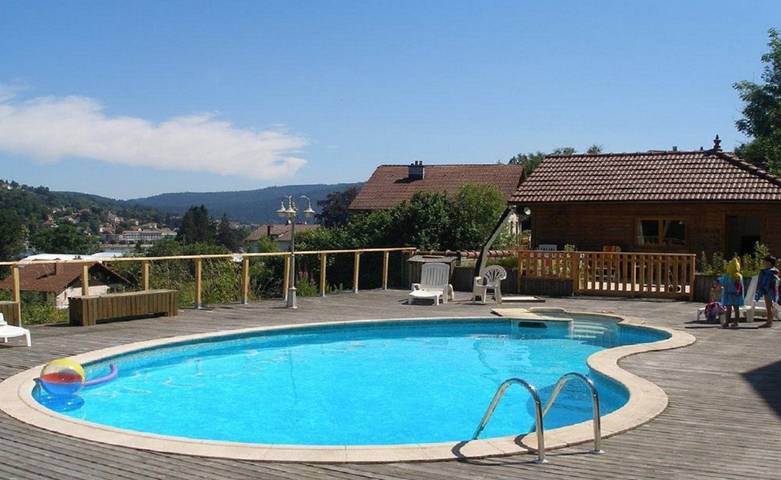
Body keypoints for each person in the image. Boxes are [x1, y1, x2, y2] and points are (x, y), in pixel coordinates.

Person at [754, 255, 778, 328]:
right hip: (770, 290)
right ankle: (770, 321)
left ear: (769, 263)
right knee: (770, 306)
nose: (763, 262)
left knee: (768, 306)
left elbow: (766, 281)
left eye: (765, 261)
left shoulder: (768, 272)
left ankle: (769, 322)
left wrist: (761, 288)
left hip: (768, 290)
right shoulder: (774, 271)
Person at [719, 257, 744, 329]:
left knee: (728, 309)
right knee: (736, 309)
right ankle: (736, 322)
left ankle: (727, 323)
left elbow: (722, 282)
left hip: (728, 295)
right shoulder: (739, 276)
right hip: (737, 295)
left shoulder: (727, 276)